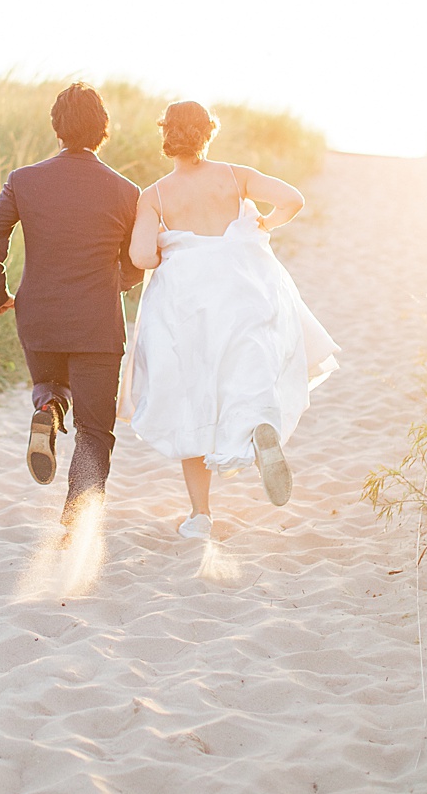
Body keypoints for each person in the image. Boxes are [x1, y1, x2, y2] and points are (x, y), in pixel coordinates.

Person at [123, 100, 339, 539]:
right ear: (208, 132)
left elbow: (141, 256)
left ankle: (200, 516)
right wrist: (266, 221)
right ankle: (259, 428)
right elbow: (293, 199)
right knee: (245, 371)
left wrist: (170, 244)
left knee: (192, 397)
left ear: (167, 134)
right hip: (241, 290)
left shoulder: (155, 194)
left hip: (188, 304)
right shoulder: (235, 175)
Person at [0, 82, 144, 532]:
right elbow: (138, 260)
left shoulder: (24, 180)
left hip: (40, 317)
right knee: (94, 430)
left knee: (50, 381)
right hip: (96, 325)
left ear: (57, 128)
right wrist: (118, 281)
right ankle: (75, 525)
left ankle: (47, 409)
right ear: (103, 130)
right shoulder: (127, 192)